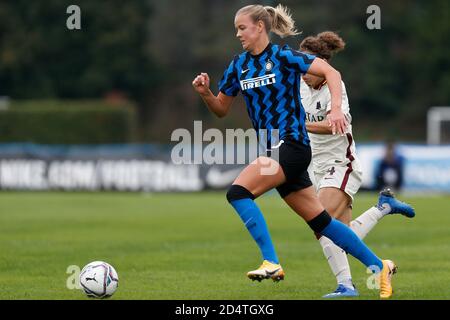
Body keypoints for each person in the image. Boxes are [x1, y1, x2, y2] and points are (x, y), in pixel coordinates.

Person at [192, 4, 395, 298]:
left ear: (260, 27)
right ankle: (379, 266)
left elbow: (331, 72)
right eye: (236, 29)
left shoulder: (283, 56)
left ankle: (271, 262)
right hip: (275, 148)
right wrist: (206, 94)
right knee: (322, 222)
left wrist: (336, 108)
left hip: (291, 144)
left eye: (242, 27)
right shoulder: (238, 66)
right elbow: (221, 109)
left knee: (237, 192)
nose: (238, 34)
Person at [300, 31, 415, 298]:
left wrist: (299, 125)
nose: (303, 71)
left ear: (322, 65)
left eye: (308, 65)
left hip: (342, 164)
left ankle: (368, 273)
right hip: (315, 165)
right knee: (338, 232)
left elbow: (335, 125)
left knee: (321, 222)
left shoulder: (334, 86)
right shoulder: (300, 83)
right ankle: (382, 208)